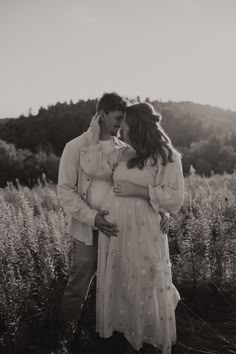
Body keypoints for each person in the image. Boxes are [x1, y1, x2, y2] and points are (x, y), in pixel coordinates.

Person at [57, 93, 169, 350]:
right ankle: (67, 335)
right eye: (118, 118)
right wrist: (93, 218)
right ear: (102, 114)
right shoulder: (76, 147)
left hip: (122, 230)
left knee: (119, 283)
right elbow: (65, 191)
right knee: (79, 283)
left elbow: (147, 183)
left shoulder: (126, 149)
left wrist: (162, 211)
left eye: (124, 119)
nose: (122, 124)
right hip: (88, 227)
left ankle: (116, 333)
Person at [81, 102, 184, 354]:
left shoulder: (167, 156)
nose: (121, 129)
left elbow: (175, 197)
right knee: (122, 280)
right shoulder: (123, 152)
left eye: (125, 123)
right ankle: (127, 336)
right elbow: (91, 166)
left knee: (144, 278)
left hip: (144, 229)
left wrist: (140, 191)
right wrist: (95, 132)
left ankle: (146, 338)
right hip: (116, 231)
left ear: (137, 125)